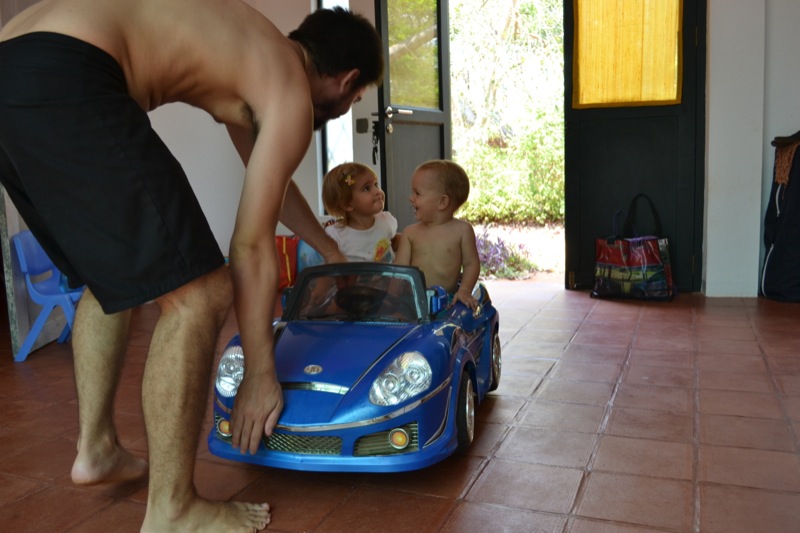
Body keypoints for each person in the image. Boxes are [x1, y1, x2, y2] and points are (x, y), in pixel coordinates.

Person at [0, 1, 382, 531]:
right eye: (355, 99)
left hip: (14, 63)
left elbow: (270, 182)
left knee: (110, 279)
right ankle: (174, 509)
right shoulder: (288, 88)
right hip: (69, 67)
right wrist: (260, 374)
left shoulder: (256, 53)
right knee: (199, 294)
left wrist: (328, 248)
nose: (347, 107)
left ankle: (96, 448)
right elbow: (250, 248)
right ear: (347, 80)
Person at [394, 160, 481, 310]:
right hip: (413, 304)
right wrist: (391, 300)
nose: (411, 198)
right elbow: (399, 272)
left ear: (442, 202)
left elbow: (471, 264)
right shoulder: (410, 233)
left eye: (417, 193)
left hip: (446, 304)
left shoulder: (462, 231)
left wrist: (465, 290)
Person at [321, 162, 399, 262]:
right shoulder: (336, 235)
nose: (377, 191)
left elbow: (394, 241)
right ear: (347, 204)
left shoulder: (386, 221)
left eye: (376, 184)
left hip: (388, 272)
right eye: (367, 188)